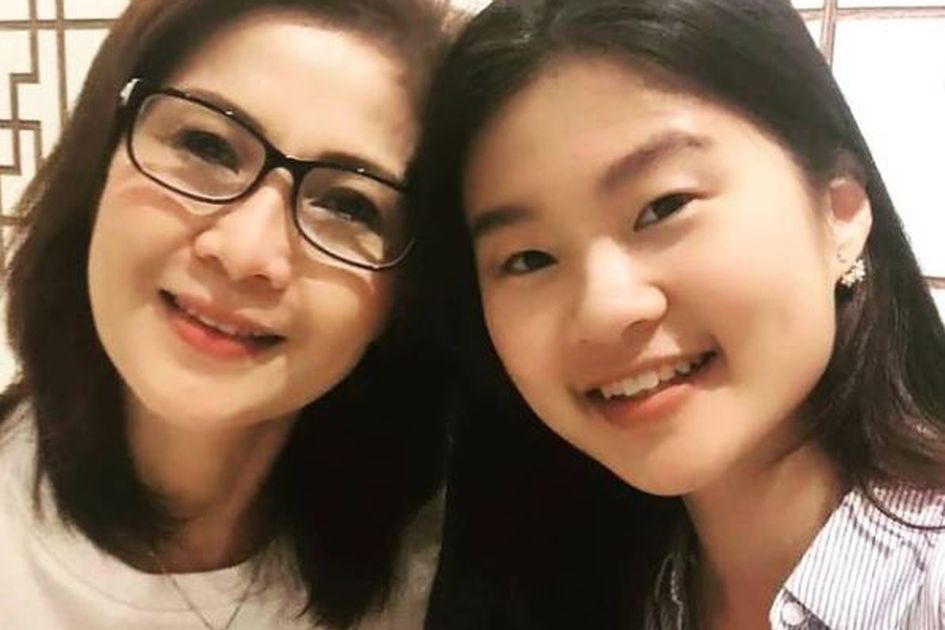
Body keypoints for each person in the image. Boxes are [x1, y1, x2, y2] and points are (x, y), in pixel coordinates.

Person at [412, 0, 945, 628]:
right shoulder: (574, 581)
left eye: (664, 207)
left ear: (840, 212)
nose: (604, 310)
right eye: (528, 259)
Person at [0, 0, 454, 628]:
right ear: (99, 162)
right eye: (206, 145)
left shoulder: (443, 577)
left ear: (404, 294)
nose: (245, 253)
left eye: (350, 206)